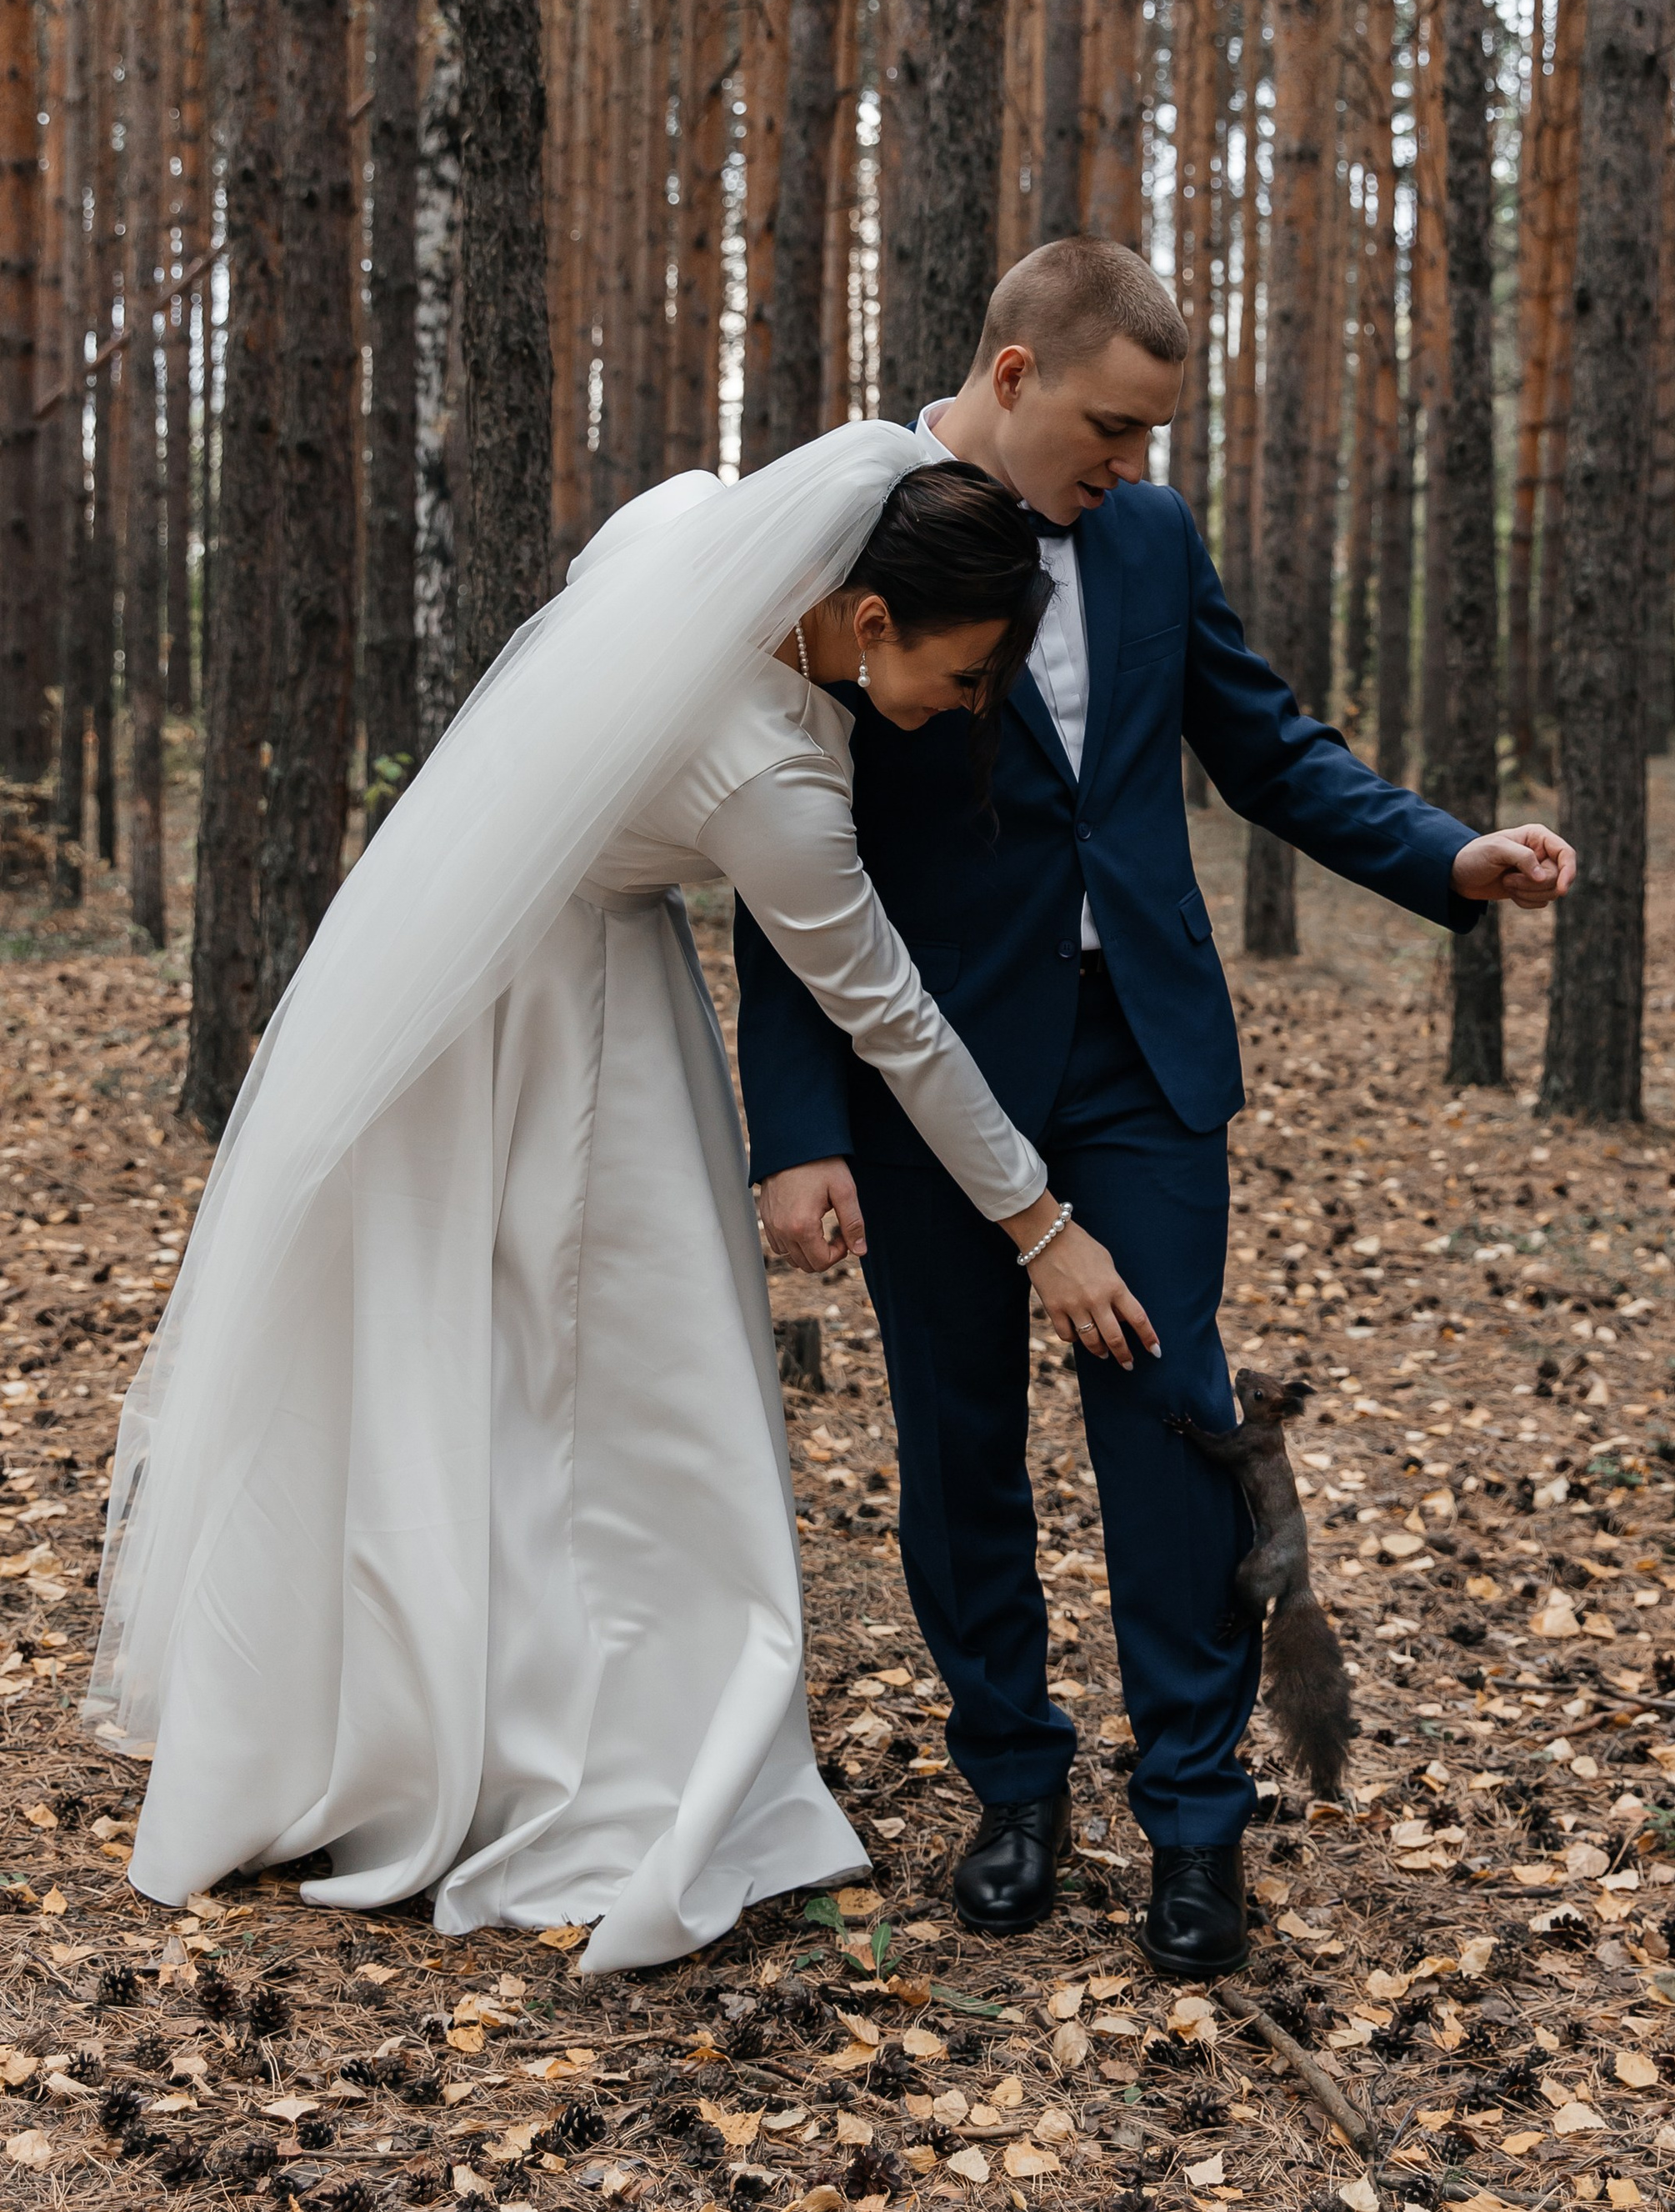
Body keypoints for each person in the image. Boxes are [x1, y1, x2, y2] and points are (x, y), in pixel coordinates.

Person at [91, 426, 1133, 1976]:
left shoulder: (695, 532)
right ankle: (577, 1750)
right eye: (964, 674)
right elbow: (896, 1024)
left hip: (458, 937)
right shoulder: (775, 778)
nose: (968, 708)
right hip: (559, 1006)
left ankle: (413, 1703)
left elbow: (597, 600)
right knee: (609, 1375)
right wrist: (1041, 1225)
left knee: (473, 1355)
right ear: (868, 621)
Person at [742, 239, 1575, 1978]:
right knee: (957, 1439)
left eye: (1151, 439)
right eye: (1112, 428)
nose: (1131, 465)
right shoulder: (843, 543)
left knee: (1174, 1419)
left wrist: (1445, 855)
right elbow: (779, 846)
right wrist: (798, 1124)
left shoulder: (1149, 537)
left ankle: (1196, 1818)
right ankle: (1011, 1787)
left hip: (1144, 1057)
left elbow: (1264, 744)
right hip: (930, 1073)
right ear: (1016, 375)